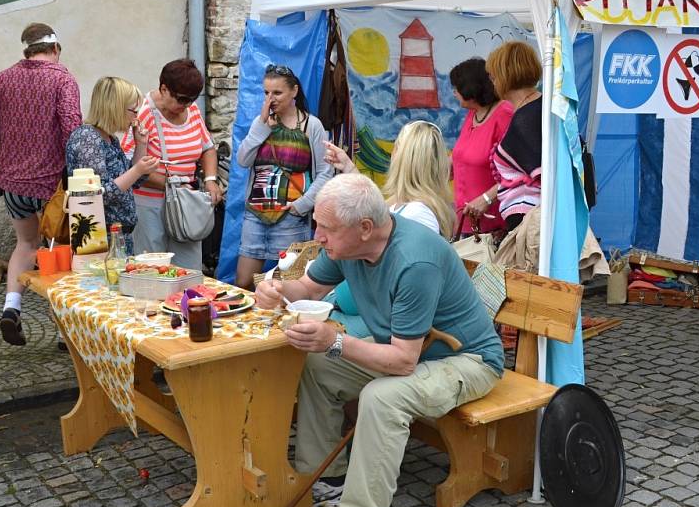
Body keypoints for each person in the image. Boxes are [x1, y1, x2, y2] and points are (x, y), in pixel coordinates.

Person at [255, 174, 504, 507]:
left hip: (468, 360)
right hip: (413, 351)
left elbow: (403, 362)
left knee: (381, 396)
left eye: (326, 229)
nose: (318, 237)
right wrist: (278, 290)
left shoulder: (415, 260)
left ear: (365, 228)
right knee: (317, 365)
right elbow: (308, 288)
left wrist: (333, 341)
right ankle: (329, 482)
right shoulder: (346, 244)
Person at [0, 22, 82, 346]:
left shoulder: (1, 80)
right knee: (61, 250)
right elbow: (72, 130)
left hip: (13, 184)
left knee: (26, 244)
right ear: (55, 49)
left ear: (27, 50)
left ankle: (11, 307)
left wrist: (14, 143)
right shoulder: (62, 79)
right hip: (52, 185)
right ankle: (65, 331)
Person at [322, 120, 455, 334]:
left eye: (397, 146)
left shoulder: (420, 215)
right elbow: (378, 216)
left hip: (377, 323)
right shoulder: (404, 206)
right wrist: (349, 168)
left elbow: (402, 281)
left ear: (401, 159)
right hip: (361, 313)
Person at [235, 64, 333, 290]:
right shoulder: (260, 123)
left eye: (277, 93)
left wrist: (302, 205)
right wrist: (262, 127)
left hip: (291, 216)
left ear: (294, 92)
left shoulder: (312, 125)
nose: (270, 99)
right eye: (266, 93)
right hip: (256, 214)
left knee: (288, 284)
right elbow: (243, 160)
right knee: (243, 282)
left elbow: (325, 173)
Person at [121, 59, 219, 270]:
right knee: (152, 269)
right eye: (182, 99)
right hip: (151, 206)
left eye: (192, 100)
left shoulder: (191, 111)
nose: (186, 106)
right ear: (164, 89)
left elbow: (208, 148)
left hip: (185, 204)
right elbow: (129, 166)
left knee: (188, 270)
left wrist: (211, 179)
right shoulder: (144, 113)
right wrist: (172, 184)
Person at [66, 77, 158, 254]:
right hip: (99, 237)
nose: (136, 118)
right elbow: (99, 194)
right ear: (115, 108)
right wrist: (137, 170)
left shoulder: (110, 138)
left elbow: (133, 182)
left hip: (118, 235)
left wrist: (141, 145)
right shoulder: (88, 138)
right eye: (133, 111)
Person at [449, 57, 512, 235]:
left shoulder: (504, 114)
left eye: (457, 88)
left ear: (471, 89)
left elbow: (517, 173)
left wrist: (487, 199)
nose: (454, 93)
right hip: (465, 221)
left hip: (494, 226)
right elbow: (462, 155)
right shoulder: (473, 113)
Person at [485, 41, 543, 232]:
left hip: (529, 220)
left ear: (504, 76)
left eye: (493, 76)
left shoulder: (526, 118)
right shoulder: (541, 106)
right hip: (536, 217)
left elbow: (545, 174)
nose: (492, 82)